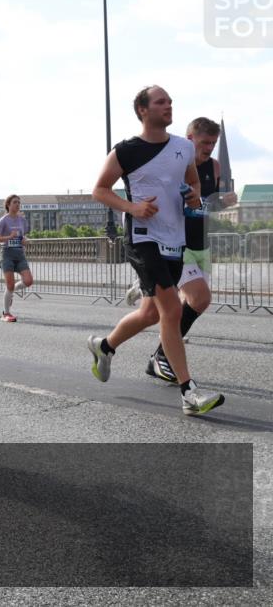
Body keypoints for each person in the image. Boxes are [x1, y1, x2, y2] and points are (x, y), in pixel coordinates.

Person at [87, 85, 225, 416]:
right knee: (171, 311)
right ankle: (188, 393)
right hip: (142, 237)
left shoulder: (182, 147)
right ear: (143, 110)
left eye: (170, 102)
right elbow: (100, 190)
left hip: (174, 240)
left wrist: (193, 195)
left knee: (150, 314)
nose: (168, 105)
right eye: (161, 102)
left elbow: (193, 183)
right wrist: (131, 207)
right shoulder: (125, 150)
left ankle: (103, 347)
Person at [143, 116, 239, 383]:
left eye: (213, 142)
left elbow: (207, 206)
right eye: (204, 142)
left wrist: (223, 201)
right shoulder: (174, 168)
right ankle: (162, 357)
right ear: (189, 140)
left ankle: (119, 347)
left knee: (176, 305)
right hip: (178, 244)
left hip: (202, 245)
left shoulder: (215, 167)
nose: (209, 147)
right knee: (199, 298)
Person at [0, 195, 33, 322]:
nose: (18, 204)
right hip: (7, 254)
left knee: (28, 281)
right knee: (9, 284)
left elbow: (22, 237)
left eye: (19, 202)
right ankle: (6, 313)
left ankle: (10, 292)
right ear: (8, 205)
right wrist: (8, 237)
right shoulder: (3, 220)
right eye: (15, 202)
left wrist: (25, 241)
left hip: (19, 254)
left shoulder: (22, 220)